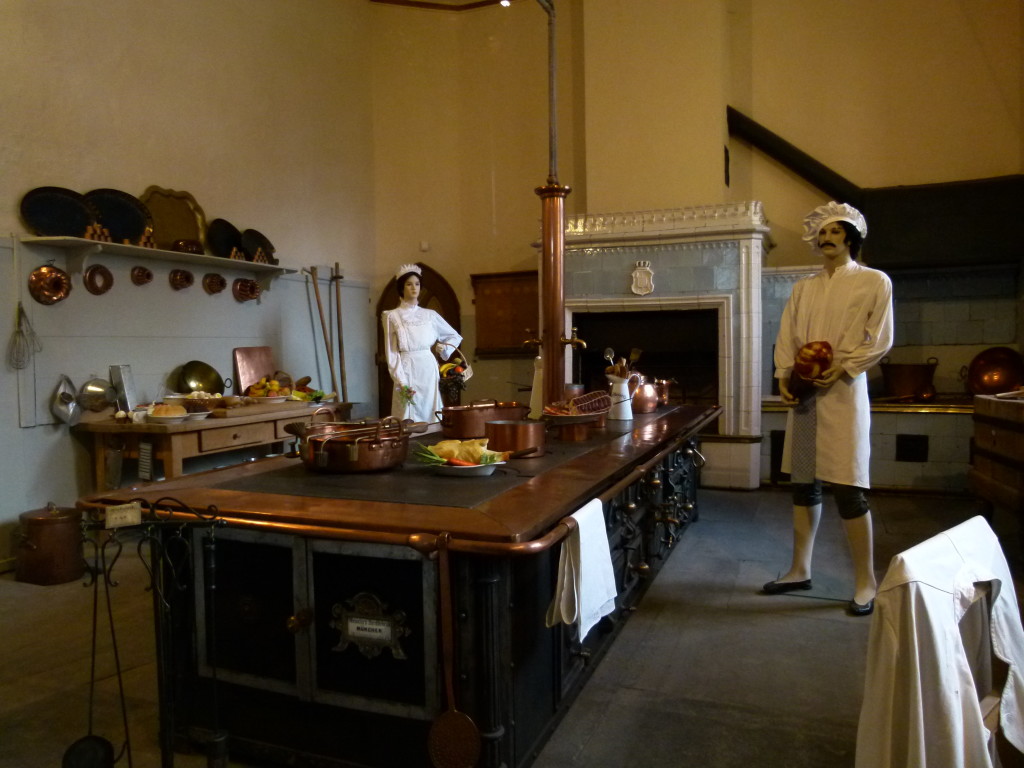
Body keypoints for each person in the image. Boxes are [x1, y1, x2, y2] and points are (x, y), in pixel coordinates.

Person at [763, 201, 894, 616]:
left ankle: (866, 582)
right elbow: (787, 336)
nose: (825, 240)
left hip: (844, 396)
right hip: (804, 398)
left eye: (834, 233)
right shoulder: (804, 287)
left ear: (852, 237)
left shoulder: (874, 281)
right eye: (821, 234)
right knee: (804, 483)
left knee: (849, 489)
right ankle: (800, 568)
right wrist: (785, 378)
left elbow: (881, 338)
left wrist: (843, 368)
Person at [382, 264, 462, 424]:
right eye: (409, 284)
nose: (414, 288)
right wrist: (401, 381)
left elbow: (454, 336)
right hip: (406, 367)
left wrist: (443, 348)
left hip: (427, 366)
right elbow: (391, 352)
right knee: (408, 408)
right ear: (401, 288)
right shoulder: (392, 316)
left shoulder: (430, 315)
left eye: (417, 284)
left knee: (429, 408)